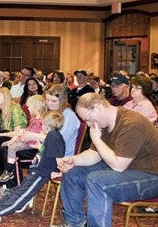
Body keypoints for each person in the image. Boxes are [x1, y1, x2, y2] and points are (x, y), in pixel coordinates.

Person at [54, 93, 158, 227]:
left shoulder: (131, 124)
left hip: (152, 178)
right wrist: (73, 160)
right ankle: (74, 223)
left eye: (88, 119)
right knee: (73, 172)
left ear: (97, 108)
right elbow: (94, 154)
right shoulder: (102, 124)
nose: (88, 124)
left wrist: (96, 139)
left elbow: (118, 166)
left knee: (97, 181)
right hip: (129, 170)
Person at [0, 111, 66, 224]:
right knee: (17, 190)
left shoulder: (54, 137)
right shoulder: (51, 137)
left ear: (46, 125)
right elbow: (48, 152)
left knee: (21, 195)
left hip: (40, 174)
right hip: (35, 171)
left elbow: (59, 158)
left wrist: (59, 172)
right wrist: (39, 147)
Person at [0, 94, 46, 183]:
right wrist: (19, 135)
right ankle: (3, 170)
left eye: (29, 107)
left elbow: (41, 136)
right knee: (4, 144)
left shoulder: (42, 121)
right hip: (26, 140)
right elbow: (27, 130)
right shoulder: (33, 120)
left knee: (12, 148)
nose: (28, 109)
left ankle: (9, 170)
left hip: (32, 144)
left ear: (35, 107)